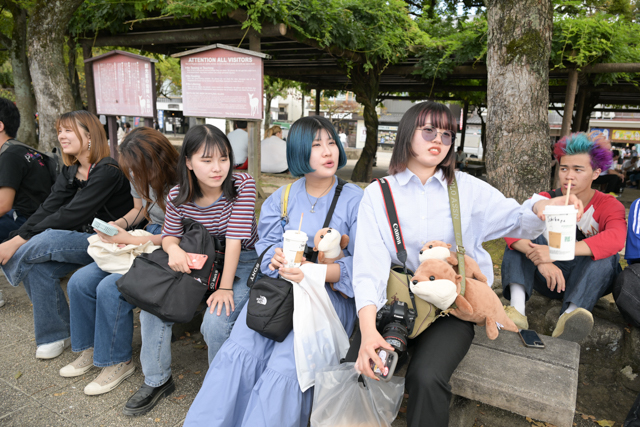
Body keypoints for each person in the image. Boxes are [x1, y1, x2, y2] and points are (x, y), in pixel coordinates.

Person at [350, 101, 581, 427]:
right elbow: (368, 268)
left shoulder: (467, 188)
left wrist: (544, 206)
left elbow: (517, 219)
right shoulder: (378, 193)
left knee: (428, 378)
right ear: (407, 134)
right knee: (363, 368)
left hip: (453, 307)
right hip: (397, 301)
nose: (438, 140)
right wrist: (368, 329)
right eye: (428, 130)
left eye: (447, 134)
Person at [184, 116, 363, 427]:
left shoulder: (356, 200)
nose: (327, 151)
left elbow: (366, 265)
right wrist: (275, 259)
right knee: (241, 351)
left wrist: (317, 272)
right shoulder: (283, 197)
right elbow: (265, 247)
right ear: (297, 152)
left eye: (331, 142)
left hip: (327, 300)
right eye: (315, 145)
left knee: (285, 365)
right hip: (280, 291)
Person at [122, 124, 258, 416]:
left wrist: (223, 287)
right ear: (188, 162)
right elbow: (170, 235)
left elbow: (235, 241)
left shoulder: (243, 184)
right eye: (206, 160)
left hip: (243, 261)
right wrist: (173, 250)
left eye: (223, 158)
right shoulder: (177, 195)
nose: (217, 168)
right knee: (152, 307)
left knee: (216, 322)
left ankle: (221, 386)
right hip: (200, 261)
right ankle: (157, 379)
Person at [0, 110, 133, 359]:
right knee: (36, 266)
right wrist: (18, 236)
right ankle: (55, 334)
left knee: (46, 238)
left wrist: (15, 242)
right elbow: (48, 208)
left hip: (113, 243)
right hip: (86, 241)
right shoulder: (70, 171)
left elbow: (71, 214)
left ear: (90, 135)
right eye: (59, 130)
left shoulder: (107, 171)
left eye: (68, 130)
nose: (61, 136)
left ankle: (8, 260)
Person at [62, 127, 178, 396]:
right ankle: (89, 348)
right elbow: (139, 209)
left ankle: (117, 361)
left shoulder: (182, 182)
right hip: (142, 237)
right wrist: (117, 226)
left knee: (111, 287)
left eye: (139, 169)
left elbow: (180, 235)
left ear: (158, 161)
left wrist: (132, 239)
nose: (135, 176)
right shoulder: (137, 173)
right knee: (80, 281)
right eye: (131, 170)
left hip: (167, 244)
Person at [502, 132, 626, 343]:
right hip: (548, 277)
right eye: (564, 168)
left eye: (578, 170)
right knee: (521, 236)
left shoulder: (609, 205)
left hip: (588, 278)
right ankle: (516, 309)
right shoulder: (546, 199)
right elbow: (511, 233)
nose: (569, 176)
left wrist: (554, 252)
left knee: (608, 257)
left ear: (596, 172)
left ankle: (570, 316)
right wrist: (543, 260)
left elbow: (615, 239)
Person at [0, 97, 54, 243]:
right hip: (37, 218)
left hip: (26, 222)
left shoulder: (9, 155)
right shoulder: (20, 149)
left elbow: (3, 205)